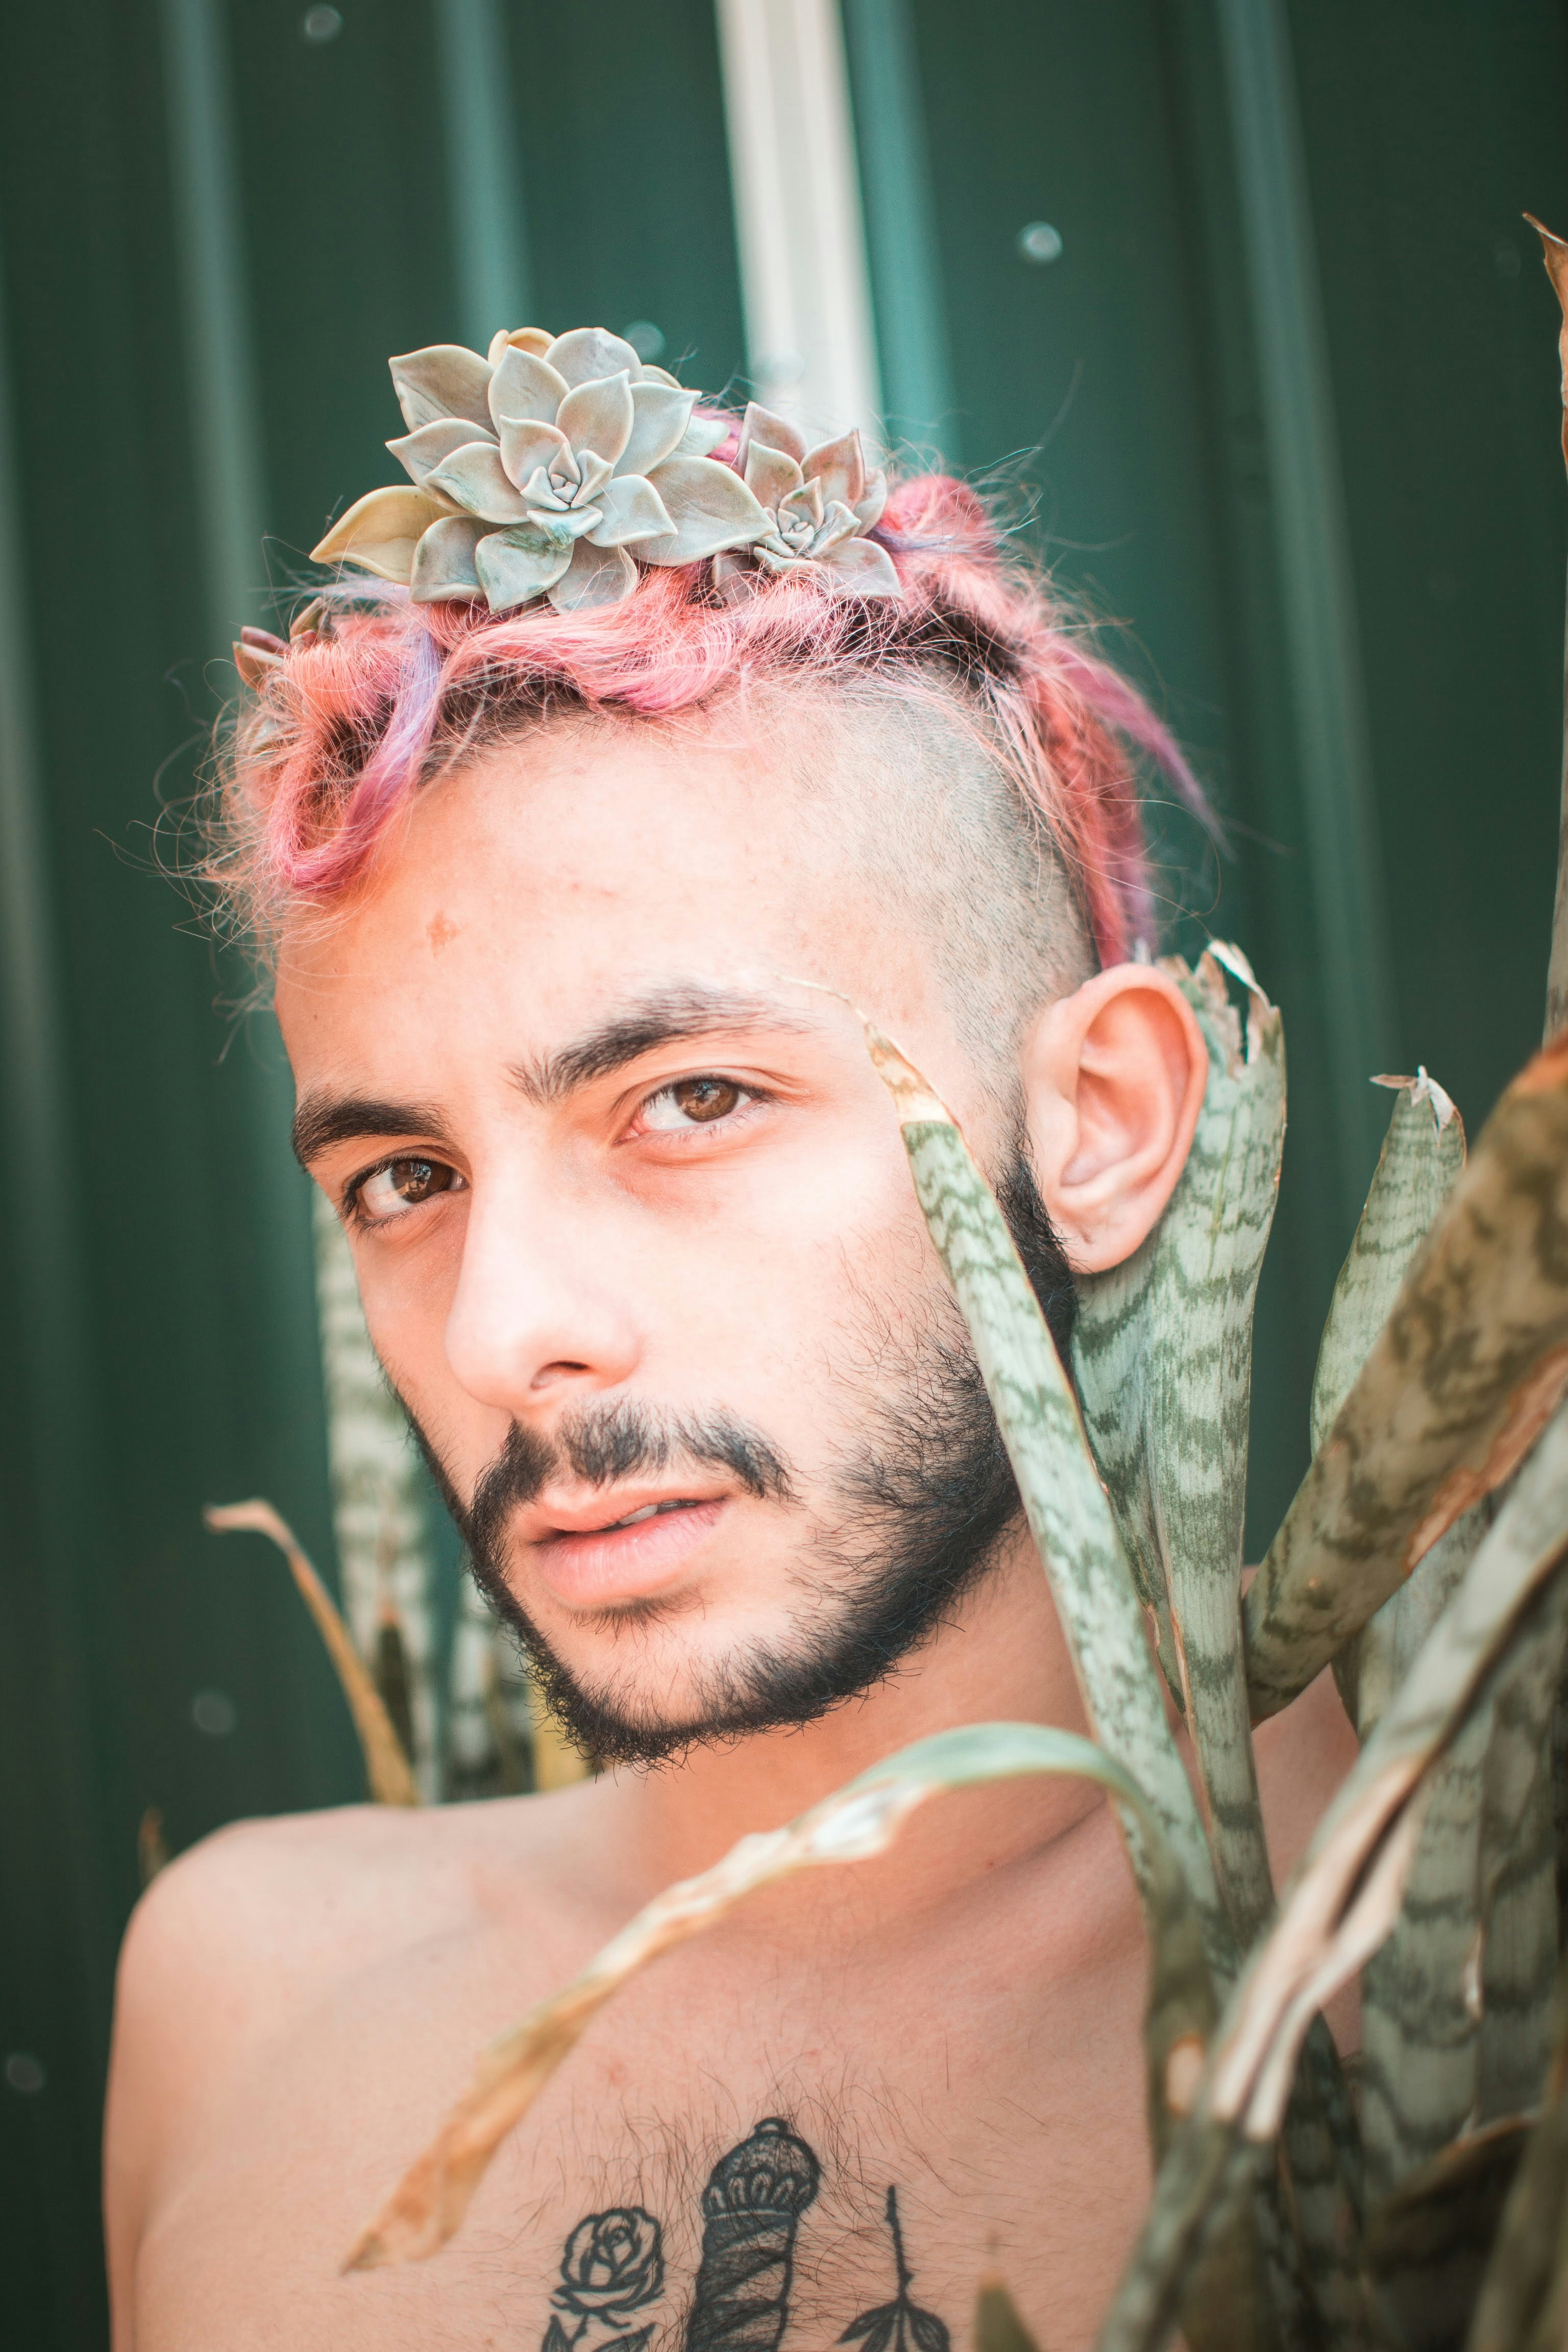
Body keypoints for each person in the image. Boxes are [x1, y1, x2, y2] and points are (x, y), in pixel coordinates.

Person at [104, 326, 1356, 2350]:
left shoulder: (1438, 1956)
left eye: (689, 1102)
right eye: (404, 1179)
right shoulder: (242, 1996)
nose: (510, 1334)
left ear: (1104, 1127)